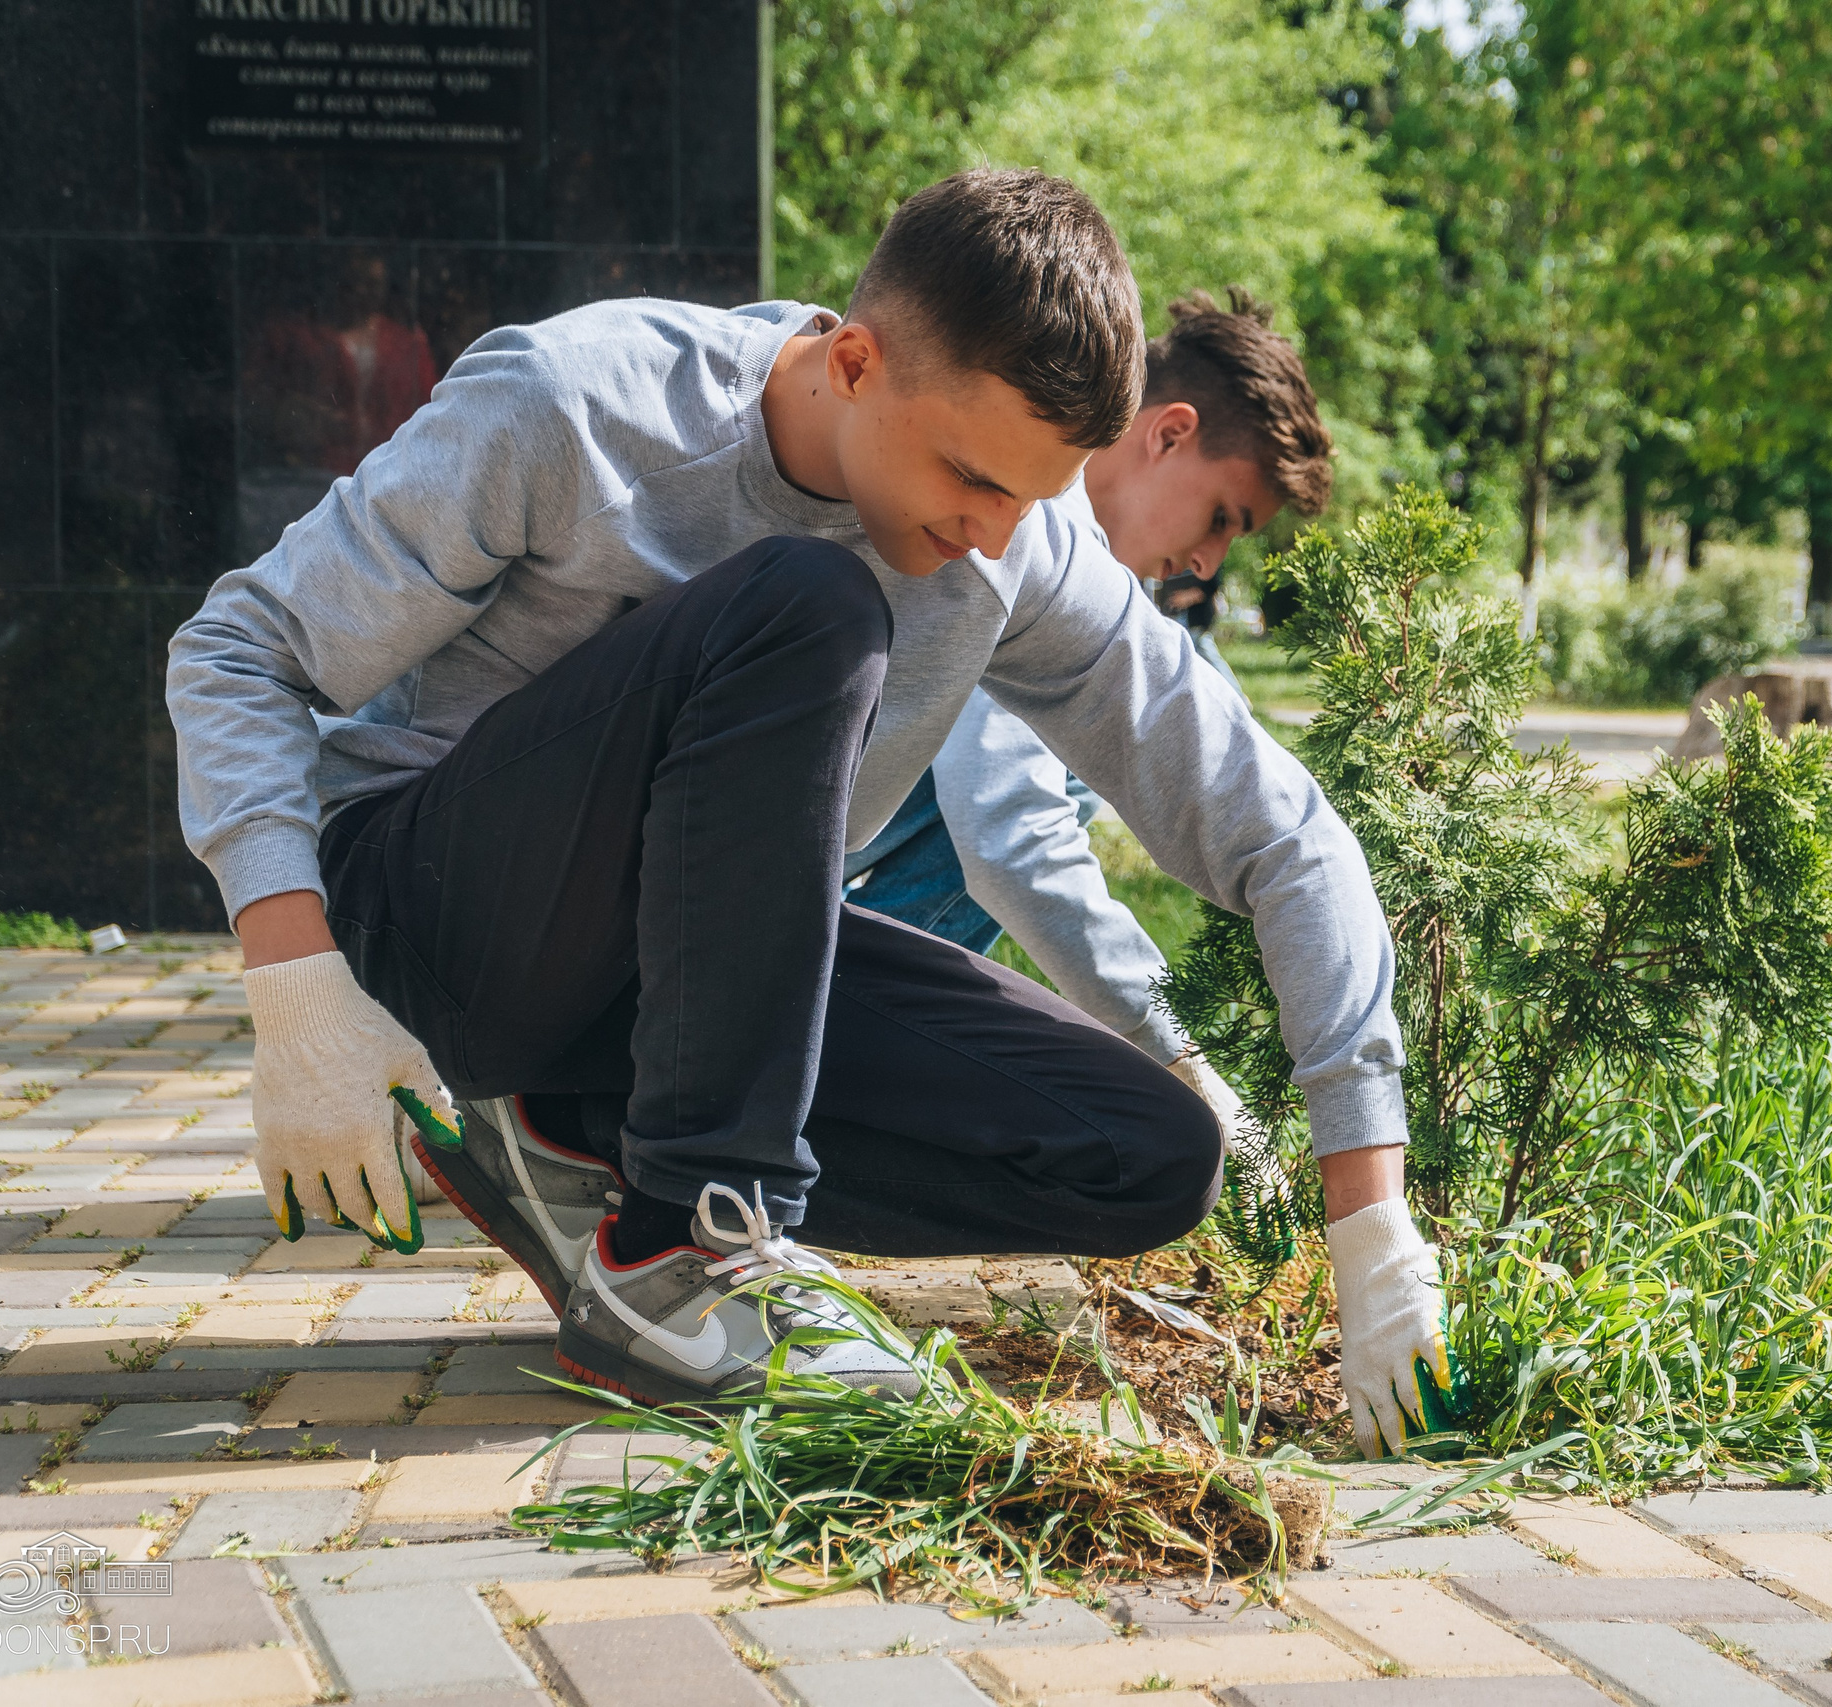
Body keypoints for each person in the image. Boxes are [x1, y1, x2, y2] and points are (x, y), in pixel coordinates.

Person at [166, 170, 1447, 1456]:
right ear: (852, 360)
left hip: (670, 987)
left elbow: (1277, 828)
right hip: (441, 920)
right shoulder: (578, 408)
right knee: (815, 602)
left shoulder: (1018, 541)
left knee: (1148, 1152)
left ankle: (568, 1138)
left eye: (1031, 495)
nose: (995, 538)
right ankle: (693, 1232)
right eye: (969, 477)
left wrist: (1368, 1214)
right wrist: (296, 978)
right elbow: (239, 648)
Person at [846, 289, 1326, 1138]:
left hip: (816, 809)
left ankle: (835, 1032)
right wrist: (1183, 1069)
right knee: (1058, 772)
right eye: (1222, 518)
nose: (1209, 561)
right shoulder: (1019, 516)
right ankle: (829, 1048)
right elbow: (1011, 834)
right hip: (713, 817)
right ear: (1169, 432)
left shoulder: (1101, 577)